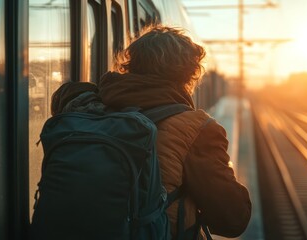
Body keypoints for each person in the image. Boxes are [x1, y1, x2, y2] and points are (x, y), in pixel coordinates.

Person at [98, 25, 251, 239]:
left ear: (131, 66)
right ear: (188, 74)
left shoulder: (95, 110)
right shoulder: (197, 129)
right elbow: (232, 219)